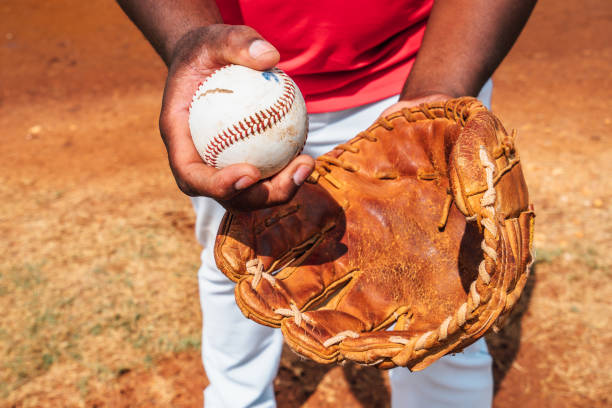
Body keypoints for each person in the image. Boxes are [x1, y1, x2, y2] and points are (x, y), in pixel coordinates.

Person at [116, 1, 537, 406]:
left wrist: (438, 94)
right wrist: (189, 39)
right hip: (228, 92)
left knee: (441, 277)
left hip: (429, 62)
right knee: (238, 267)